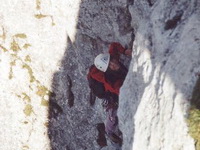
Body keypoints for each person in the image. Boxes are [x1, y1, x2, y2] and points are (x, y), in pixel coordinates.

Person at [87, 42, 132, 146]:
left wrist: (124, 51)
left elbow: (114, 46)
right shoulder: (110, 82)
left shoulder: (110, 59)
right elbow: (120, 91)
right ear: (107, 70)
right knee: (112, 111)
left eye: (112, 61)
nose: (114, 64)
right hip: (107, 92)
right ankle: (109, 131)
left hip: (100, 78)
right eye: (111, 65)